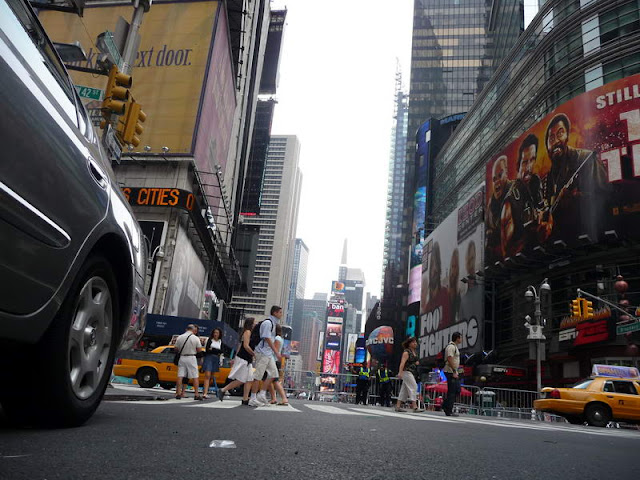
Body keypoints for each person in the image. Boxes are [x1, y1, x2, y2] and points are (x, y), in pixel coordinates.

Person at [543, 113, 609, 242]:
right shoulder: (548, 177)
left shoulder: (587, 158)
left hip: (592, 238)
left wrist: (576, 198)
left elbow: (606, 197)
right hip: (561, 246)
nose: (556, 141)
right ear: (547, 146)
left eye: (560, 134)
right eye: (551, 139)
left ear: (567, 135)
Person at [500, 134, 551, 258]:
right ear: (518, 165)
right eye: (524, 162)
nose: (529, 167)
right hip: (523, 268)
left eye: (532, 160)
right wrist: (532, 234)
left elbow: (544, 210)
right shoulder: (510, 203)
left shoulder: (536, 181)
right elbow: (506, 253)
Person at [248, 306, 283, 407]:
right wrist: (276, 351)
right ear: (275, 313)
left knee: (273, 374)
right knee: (258, 376)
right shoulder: (268, 323)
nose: (281, 314)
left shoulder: (273, 323)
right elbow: (267, 338)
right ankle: (253, 398)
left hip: (268, 353)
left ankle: (261, 394)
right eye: (280, 312)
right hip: (262, 352)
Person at [217, 318, 255, 405]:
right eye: (254, 322)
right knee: (242, 379)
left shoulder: (246, 332)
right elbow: (245, 346)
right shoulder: (247, 332)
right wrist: (253, 353)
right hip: (244, 358)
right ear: (250, 324)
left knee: (249, 379)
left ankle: (245, 399)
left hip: (245, 358)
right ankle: (223, 390)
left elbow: (239, 346)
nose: (255, 324)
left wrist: (235, 358)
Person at [486, 155, 512, 264]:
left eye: (500, 175)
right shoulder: (490, 206)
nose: (496, 182)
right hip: (497, 262)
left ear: (507, 173)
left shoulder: (515, 191)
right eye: (494, 179)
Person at [174, 324, 204, 400]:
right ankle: (196, 394)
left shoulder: (179, 337)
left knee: (180, 375)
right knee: (195, 376)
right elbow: (199, 350)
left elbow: (176, 349)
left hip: (182, 357)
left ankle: (178, 393)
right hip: (191, 357)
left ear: (186, 329)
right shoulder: (195, 338)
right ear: (193, 330)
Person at [395, 337, 424, 413]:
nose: (415, 344)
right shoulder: (406, 352)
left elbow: (414, 362)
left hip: (412, 372)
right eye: (413, 342)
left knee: (404, 390)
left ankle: (398, 406)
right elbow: (402, 363)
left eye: (415, 342)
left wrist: (416, 363)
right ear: (409, 344)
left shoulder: (415, 352)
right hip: (406, 371)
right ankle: (414, 406)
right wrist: (400, 372)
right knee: (414, 386)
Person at [268, 324, 289, 406]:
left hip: (273, 361)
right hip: (275, 361)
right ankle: (274, 398)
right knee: (270, 380)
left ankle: (282, 398)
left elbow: (275, 350)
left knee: (274, 380)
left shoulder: (277, 338)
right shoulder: (280, 338)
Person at [442, 332, 463, 417]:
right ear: (457, 338)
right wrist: (454, 371)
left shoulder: (454, 347)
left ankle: (445, 405)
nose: (461, 339)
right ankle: (448, 410)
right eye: (461, 338)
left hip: (453, 371)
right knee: (452, 391)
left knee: (456, 390)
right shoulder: (451, 347)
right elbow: (449, 358)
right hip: (450, 371)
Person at [202, 328, 222, 399]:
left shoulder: (220, 341)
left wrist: (213, 350)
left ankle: (206, 389)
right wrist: (216, 351)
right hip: (209, 358)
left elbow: (221, 351)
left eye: (217, 333)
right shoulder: (210, 340)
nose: (215, 334)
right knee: (207, 375)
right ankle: (205, 393)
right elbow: (207, 350)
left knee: (211, 376)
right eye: (214, 332)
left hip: (216, 359)